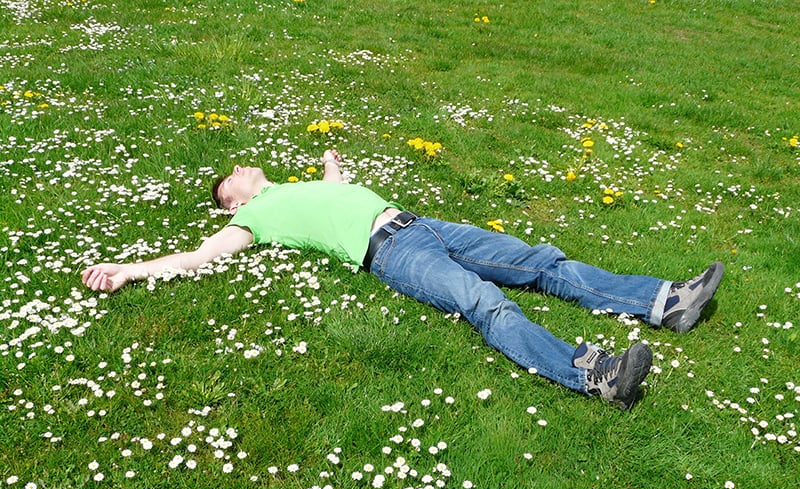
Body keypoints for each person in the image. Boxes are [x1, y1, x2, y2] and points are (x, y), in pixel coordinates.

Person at [81, 149, 725, 410]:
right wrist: (130, 269)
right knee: (484, 302)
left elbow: (335, 188)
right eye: (234, 179)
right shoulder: (251, 219)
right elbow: (197, 259)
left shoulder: (295, 187)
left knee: (539, 260)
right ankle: (594, 374)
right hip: (387, 252)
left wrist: (331, 162)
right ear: (232, 202)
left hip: (423, 224)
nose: (245, 171)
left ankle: (664, 301)